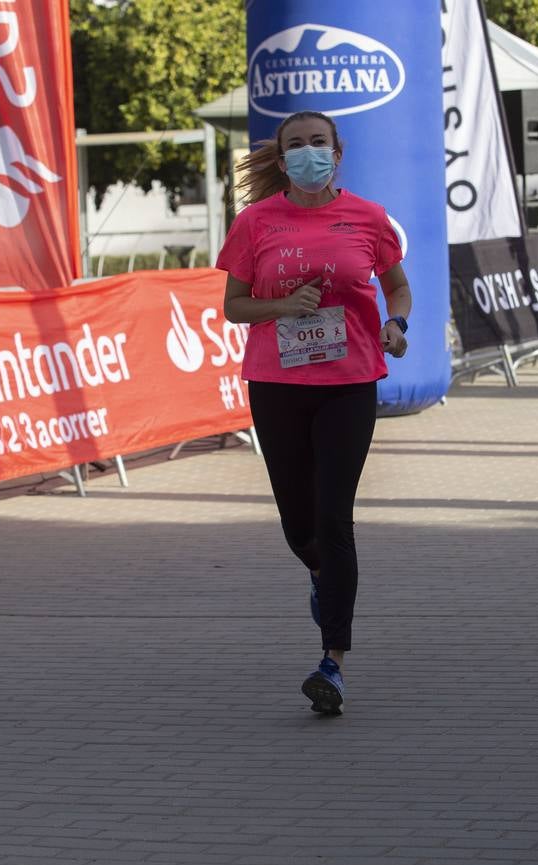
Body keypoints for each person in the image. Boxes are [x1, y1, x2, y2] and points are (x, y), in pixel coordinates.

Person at [216, 110, 410, 716]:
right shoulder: (255, 223)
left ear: (337, 152)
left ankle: (334, 661)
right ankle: (323, 581)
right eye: (294, 145)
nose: (306, 153)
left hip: (349, 382)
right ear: (280, 159)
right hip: (277, 384)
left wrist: (396, 323)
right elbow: (233, 307)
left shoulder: (368, 218)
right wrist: (277, 307)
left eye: (316, 143)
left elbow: (397, 286)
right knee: (299, 525)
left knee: (334, 517)